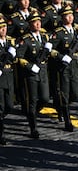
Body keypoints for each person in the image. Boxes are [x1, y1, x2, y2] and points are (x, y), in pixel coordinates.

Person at [48, 5, 78, 132]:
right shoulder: (58, 33)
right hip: (63, 66)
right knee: (64, 92)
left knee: (74, 92)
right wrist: (61, 57)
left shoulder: (77, 30)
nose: (70, 17)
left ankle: (59, 105)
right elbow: (50, 49)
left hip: (74, 64)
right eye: (67, 15)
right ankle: (67, 120)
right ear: (62, 18)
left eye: (71, 15)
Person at [17, 11, 53, 139]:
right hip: (31, 73)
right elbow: (19, 58)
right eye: (34, 22)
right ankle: (33, 127)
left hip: (42, 70)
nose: (38, 24)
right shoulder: (25, 40)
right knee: (32, 100)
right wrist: (30, 66)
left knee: (44, 98)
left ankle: (32, 113)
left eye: (39, 21)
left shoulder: (44, 37)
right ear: (30, 24)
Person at [0, 15, 17, 145]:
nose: (3, 30)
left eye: (4, 27)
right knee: (0, 106)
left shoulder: (10, 41)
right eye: (1, 28)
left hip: (9, 76)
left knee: (9, 106)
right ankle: (1, 134)